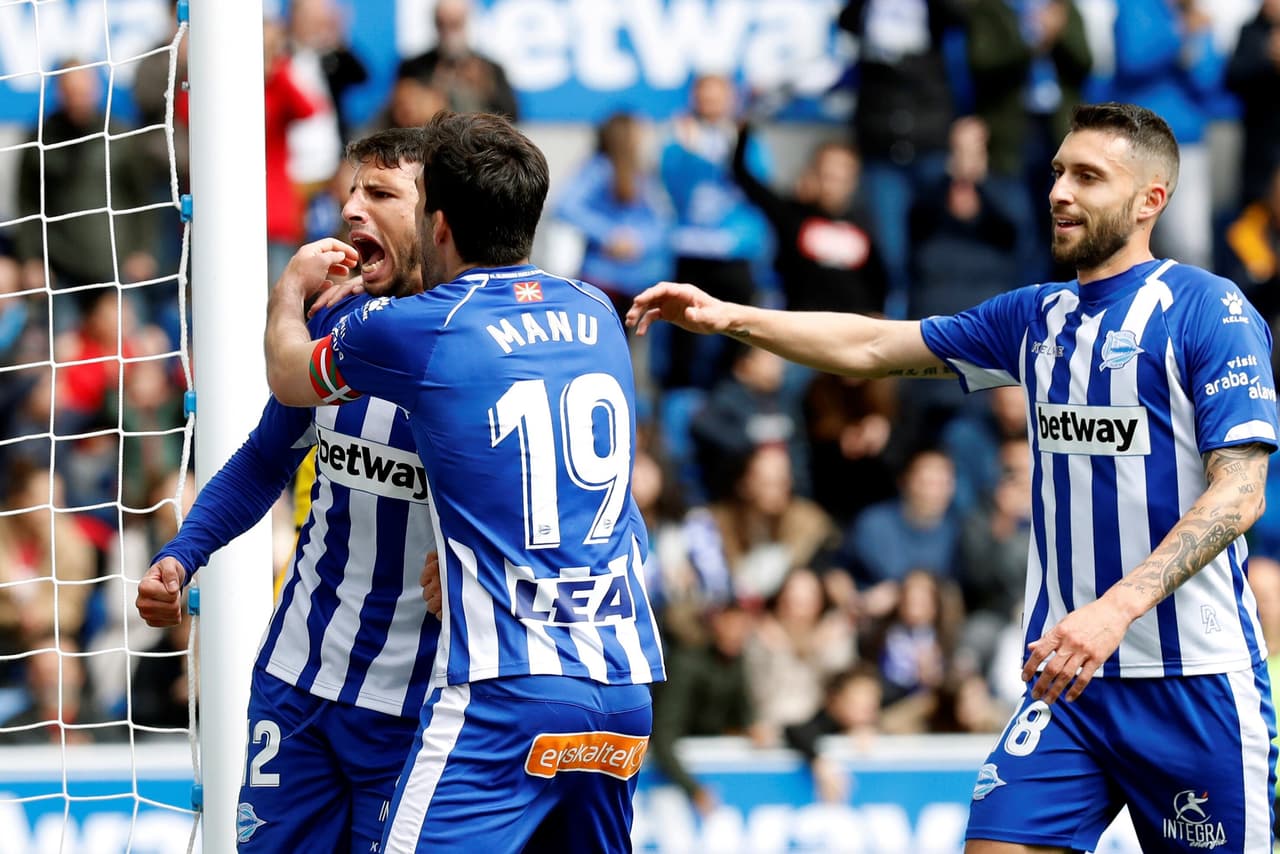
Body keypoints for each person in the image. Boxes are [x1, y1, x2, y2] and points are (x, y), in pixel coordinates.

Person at [629, 101, 1278, 853]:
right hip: (1068, 683)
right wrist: (731, 317)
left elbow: (1241, 491)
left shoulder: (1209, 309)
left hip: (1192, 684)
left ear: (1150, 201)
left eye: (1088, 177)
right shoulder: (1036, 318)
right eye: (1059, 171)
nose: (1060, 191)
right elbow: (873, 343)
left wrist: (1117, 608)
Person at [263, 111, 665, 853]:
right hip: (621, 688)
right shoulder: (597, 312)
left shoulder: (419, 326)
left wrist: (288, 293)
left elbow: (291, 376)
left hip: (506, 691)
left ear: (437, 226)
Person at [135, 128, 439, 853]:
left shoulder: (476, 350)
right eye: (352, 189)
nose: (351, 207)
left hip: (417, 704)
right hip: (297, 680)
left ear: (439, 217)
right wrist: (183, 554)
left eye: (381, 193)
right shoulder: (340, 323)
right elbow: (267, 457)